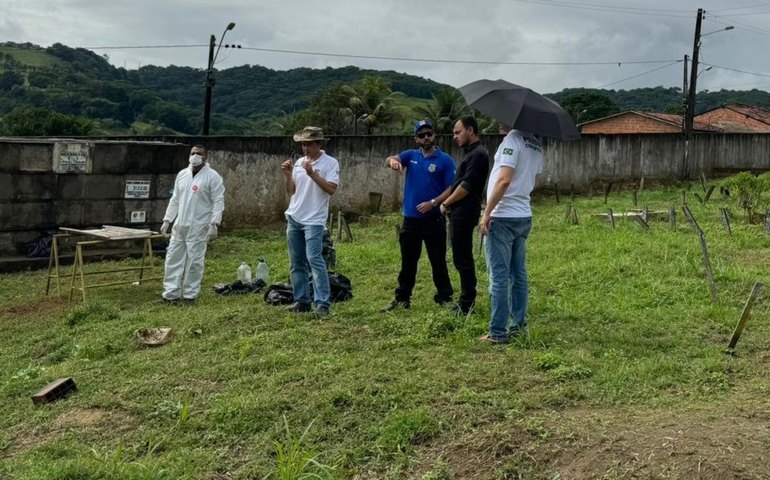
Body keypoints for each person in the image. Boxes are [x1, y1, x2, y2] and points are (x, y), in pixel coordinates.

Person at [381, 120, 456, 312]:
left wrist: (434, 202)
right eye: (421, 135)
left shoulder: (445, 160)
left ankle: (444, 297)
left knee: (437, 260)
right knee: (408, 262)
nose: (426, 138)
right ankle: (402, 299)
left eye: (429, 134)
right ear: (416, 139)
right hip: (411, 220)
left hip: (433, 220)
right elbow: (389, 159)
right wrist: (394, 161)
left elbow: (451, 188)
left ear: (434, 136)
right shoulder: (411, 156)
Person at [478, 126, 543, 344]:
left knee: (499, 276)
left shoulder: (512, 141)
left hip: (503, 216)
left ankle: (497, 331)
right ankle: (518, 325)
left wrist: (487, 212)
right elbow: (532, 177)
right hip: (523, 214)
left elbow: (504, 180)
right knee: (518, 274)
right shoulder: (535, 144)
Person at [281, 126, 340, 318]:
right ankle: (302, 300)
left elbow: (331, 189)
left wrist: (313, 174)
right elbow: (291, 192)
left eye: (309, 144)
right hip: (295, 216)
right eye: (303, 144)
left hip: (314, 220)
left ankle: (322, 303)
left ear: (320, 144)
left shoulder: (330, 163)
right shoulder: (299, 162)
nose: (305, 148)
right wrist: (288, 175)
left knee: (315, 259)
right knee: (296, 261)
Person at [159, 144, 225, 304]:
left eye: (199, 153)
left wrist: (214, 223)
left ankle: (189, 295)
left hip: (199, 226)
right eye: (193, 153)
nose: (195, 156)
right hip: (180, 225)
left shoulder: (212, 176)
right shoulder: (182, 175)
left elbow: (218, 200)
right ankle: (171, 294)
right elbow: (175, 199)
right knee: (172, 259)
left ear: (205, 158)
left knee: (194, 262)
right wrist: (167, 220)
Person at [439, 116, 490, 315]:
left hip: (465, 212)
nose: (455, 136)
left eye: (458, 132)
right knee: (461, 257)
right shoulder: (471, 153)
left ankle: (467, 303)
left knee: (463, 258)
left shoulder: (478, 154)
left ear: (471, 130)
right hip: (460, 211)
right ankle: (466, 300)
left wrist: (446, 202)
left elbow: (466, 186)